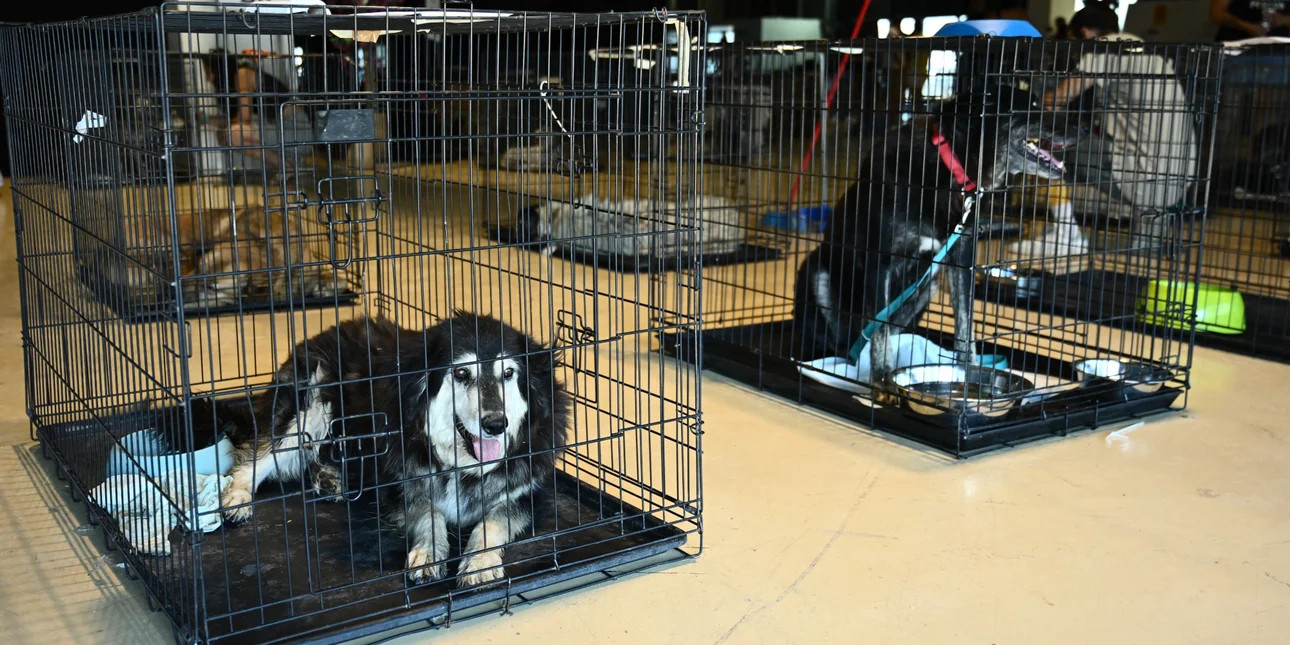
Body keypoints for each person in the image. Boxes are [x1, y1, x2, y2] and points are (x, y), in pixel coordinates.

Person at [1015, 1, 1198, 258]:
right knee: (1143, 252)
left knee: (1045, 149)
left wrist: (1022, 110)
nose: (1077, 55)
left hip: (1142, 174)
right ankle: (1146, 243)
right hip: (1179, 176)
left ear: (1085, 33)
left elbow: (1056, 100)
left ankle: (1067, 235)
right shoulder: (1146, 51)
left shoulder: (1105, 47)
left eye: (1075, 44)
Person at [1210, 0, 1290, 41]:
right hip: (1234, 49)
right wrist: (1248, 27)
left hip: (1280, 54)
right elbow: (1216, 13)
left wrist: (1284, 19)